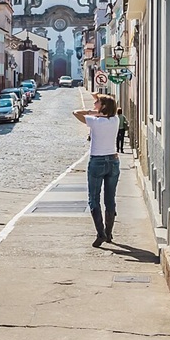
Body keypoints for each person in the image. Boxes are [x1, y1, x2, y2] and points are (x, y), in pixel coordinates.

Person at [74, 93, 120, 247]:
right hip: (113, 161)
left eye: (97, 102)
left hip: (97, 161)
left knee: (94, 198)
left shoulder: (94, 121)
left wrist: (92, 112)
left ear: (104, 106)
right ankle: (109, 233)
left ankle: (101, 233)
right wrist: (99, 111)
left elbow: (75, 113)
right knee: (110, 199)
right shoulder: (115, 120)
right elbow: (108, 114)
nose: (95, 103)